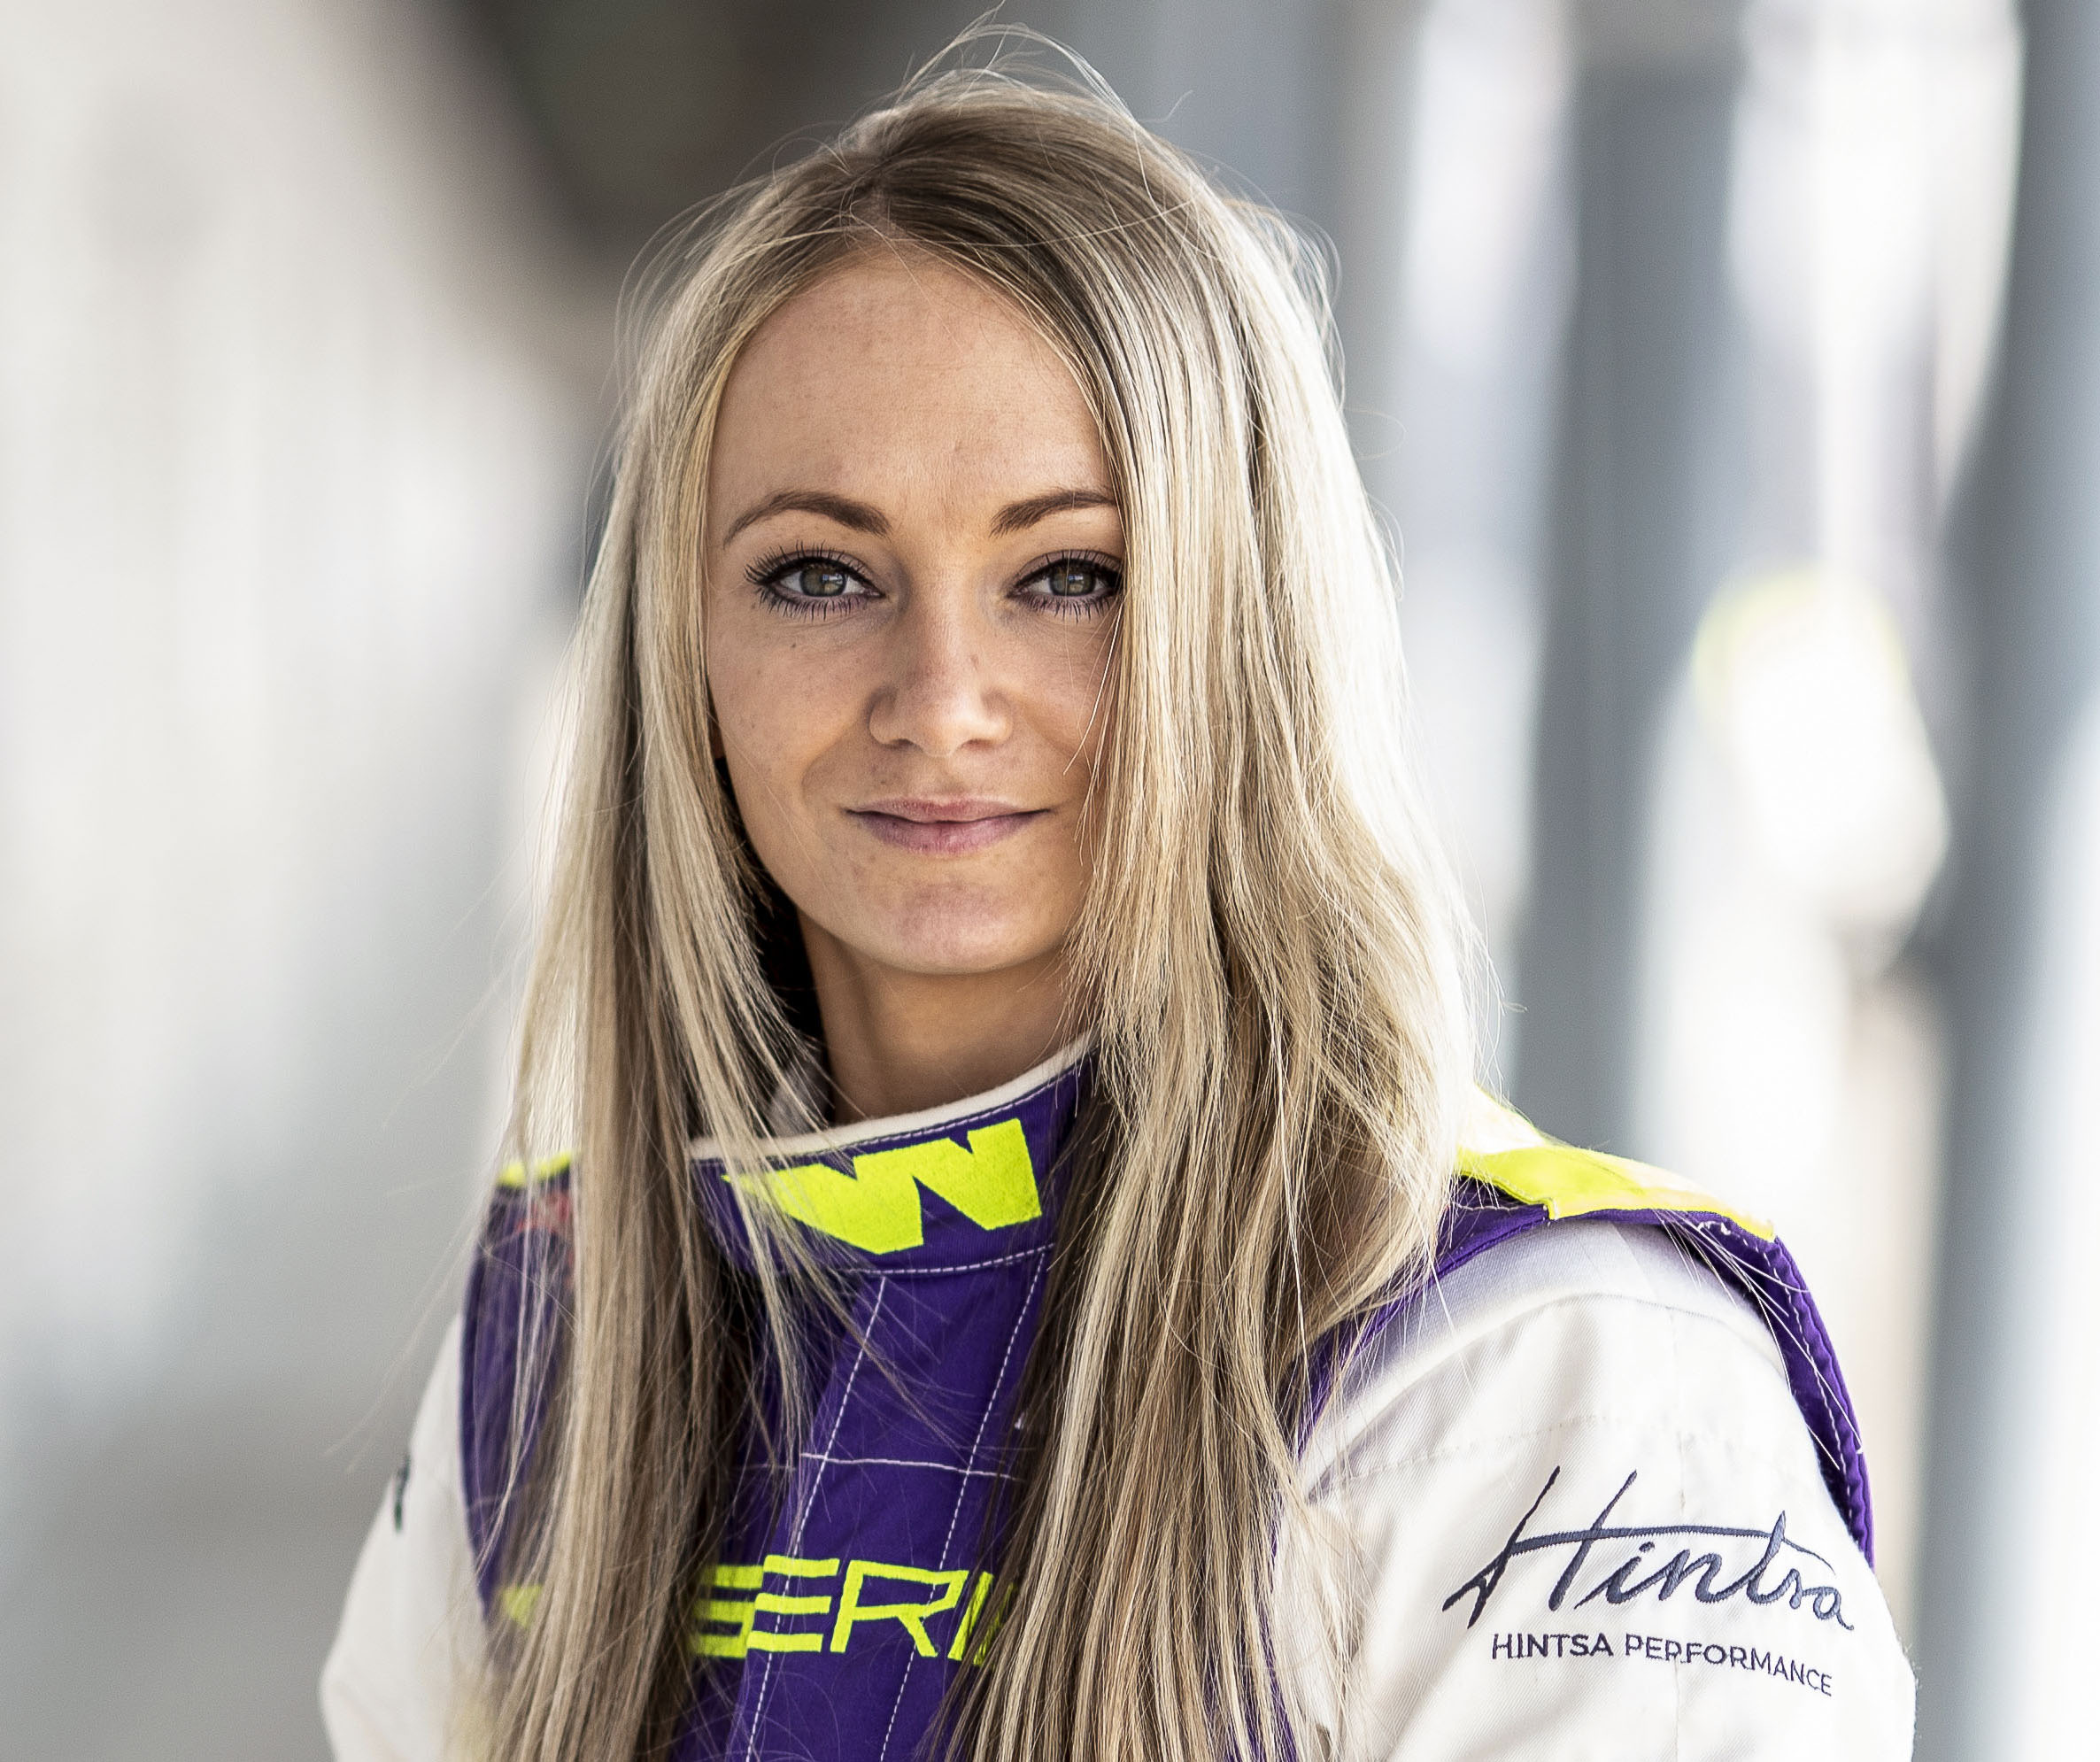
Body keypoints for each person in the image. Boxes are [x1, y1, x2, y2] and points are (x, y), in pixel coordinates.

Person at [320, 50, 1915, 1762]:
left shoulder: (1564, 1375)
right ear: (678, 657)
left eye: (1070, 576)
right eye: (818, 573)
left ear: (1243, 635)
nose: (941, 697)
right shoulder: (564, 1315)